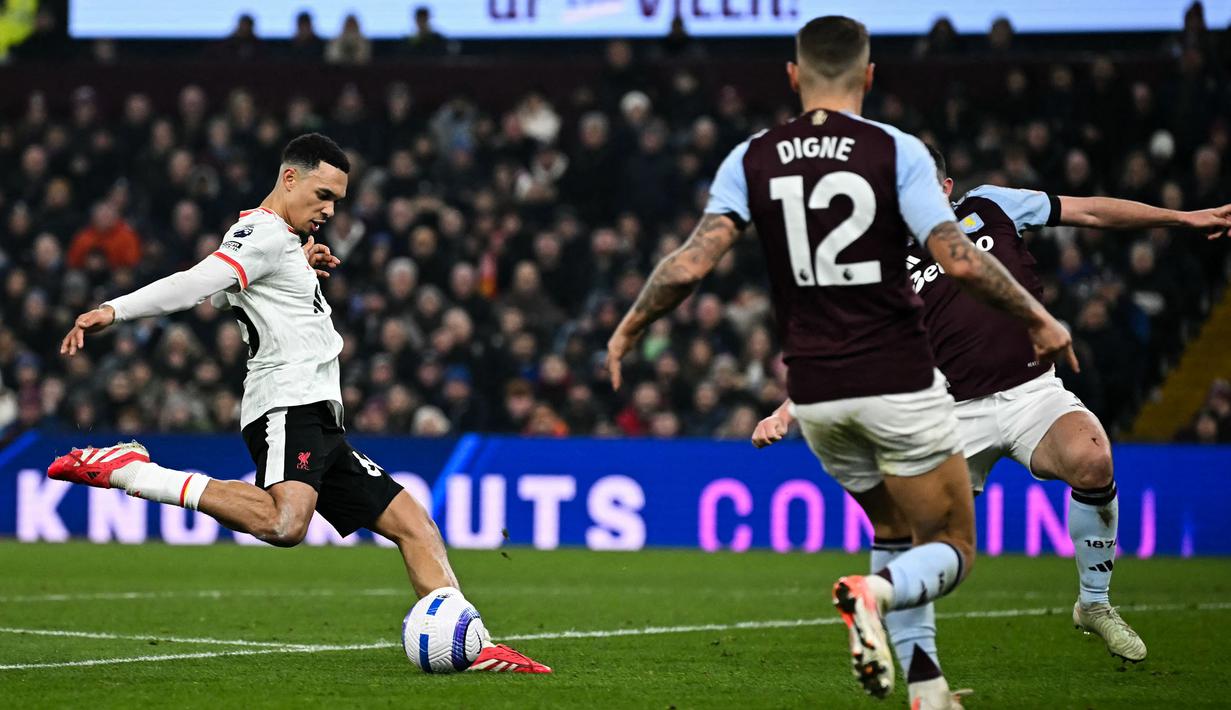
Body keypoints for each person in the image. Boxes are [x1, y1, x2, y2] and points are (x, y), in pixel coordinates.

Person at [605, 16, 1073, 709]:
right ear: (869, 75)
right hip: (895, 378)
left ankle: (927, 688)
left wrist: (629, 326)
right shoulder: (896, 151)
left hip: (817, 392)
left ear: (793, 76)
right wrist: (1039, 317)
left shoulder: (751, 157)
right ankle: (872, 594)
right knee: (950, 544)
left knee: (891, 530)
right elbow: (957, 258)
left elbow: (691, 263)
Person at [47, 133, 550, 674]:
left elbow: (228, 295)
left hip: (320, 417)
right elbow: (197, 284)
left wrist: (296, 263)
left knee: (414, 524)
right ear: (290, 178)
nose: (330, 210)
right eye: (323, 194)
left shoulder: (280, 241)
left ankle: (475, 645)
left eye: (337, 200)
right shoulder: (261, 234)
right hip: (287, 405)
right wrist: (114, 310)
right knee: (284, 524)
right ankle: (132, 472)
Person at [753, 146, 1231, 672]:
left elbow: (1091, 211)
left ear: (946, 188)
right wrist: (786, 412)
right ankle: (908, 654)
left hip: (1032, 394)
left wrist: (1182, 218)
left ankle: (1094, 603)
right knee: (926, 542)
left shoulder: (992, 205)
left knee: (1093, 458)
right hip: (951, 415)